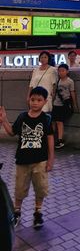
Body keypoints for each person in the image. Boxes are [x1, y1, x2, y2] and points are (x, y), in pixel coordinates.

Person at [0, 86, 54, 229]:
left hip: (40, 161)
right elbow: (12, 132)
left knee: (40, 188)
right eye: (32, 99)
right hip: (22, 161)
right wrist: (4, 120)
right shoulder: (22, 117)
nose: (35, 103)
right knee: (20, 188)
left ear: (45, 101)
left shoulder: (46, 119)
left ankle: (38, 212)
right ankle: (17, 212)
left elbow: (50, 139)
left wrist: (51, 160)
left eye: (39, 100)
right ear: (28, 99)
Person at [52, 63, 79, 149]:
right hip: (56, 104)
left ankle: (60, 139)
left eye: (63, 70)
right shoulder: (57, 81)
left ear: (67, 71)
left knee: (59, 122)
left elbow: (72, 92)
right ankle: (52, 138)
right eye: (59, 71)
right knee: (53, 121)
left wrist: (74, 104)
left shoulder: (70, 81)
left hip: (63, 104)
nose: (61, 72)